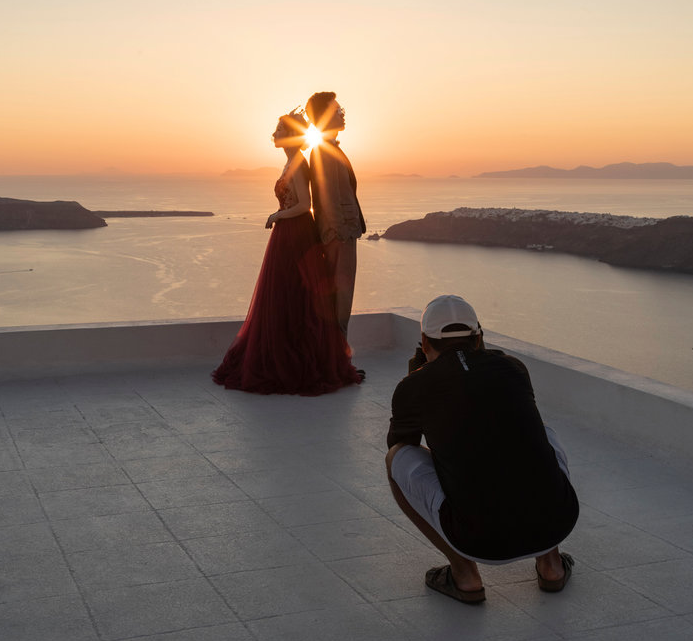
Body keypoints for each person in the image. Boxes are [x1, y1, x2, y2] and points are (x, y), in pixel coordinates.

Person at [385, 295, 579, 604]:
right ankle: (551, 565)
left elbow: (400, 442)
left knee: (395, 458)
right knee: (541, 434)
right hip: (557, 522)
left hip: (480, 541)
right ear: (479, 337)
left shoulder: (415, 386)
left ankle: (464, 575)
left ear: (424, 341)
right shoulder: (514, 368)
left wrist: (416, 382)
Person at [212, 111, 361, 396]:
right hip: (287, 235)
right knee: (284, 296)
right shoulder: (291, 162)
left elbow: (305, 204)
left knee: (295, 297)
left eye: (280, 129)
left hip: (296, 234)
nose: (275, 133)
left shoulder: (299, 163)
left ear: (292, 135)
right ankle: (283, 357)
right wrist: (280, 217)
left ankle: (299, 363)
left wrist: (277, 215)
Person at [304, 91, 366, 338]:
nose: (343, 114)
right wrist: (340, 232)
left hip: (343, 233)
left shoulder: (328, 148)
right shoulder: (323, 151)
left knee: (342, 298)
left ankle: (337, 352)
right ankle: (338, 354)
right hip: (339, 235)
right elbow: (327, 196)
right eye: (338, 110)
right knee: (341, 299)